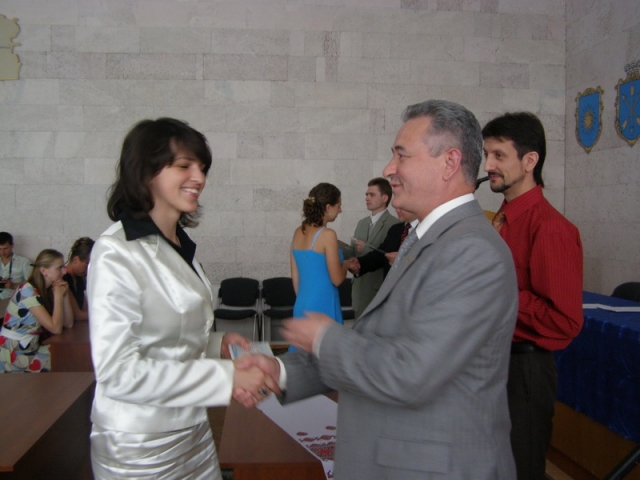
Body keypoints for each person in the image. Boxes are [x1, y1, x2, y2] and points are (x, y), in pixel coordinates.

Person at [236, 100, 519, 479]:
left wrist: (323, 338)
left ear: (449, 162)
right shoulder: (427, 238)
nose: (389, 169)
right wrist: (280, 370)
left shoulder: (472, 250)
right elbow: (378, 345)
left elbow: (410, 372)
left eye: (402, 155)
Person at [87, 117, 278, 479]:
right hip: (139, 443)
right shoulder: (117, 251)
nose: (199, 177)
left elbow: (169, 335)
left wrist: (218, 344)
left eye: (202, 167)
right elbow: (118, 373)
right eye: (184, 166)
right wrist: (227, 378)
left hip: (191, 429)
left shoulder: (177, 244)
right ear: (146, 171)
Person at [482, 111, 584, 480]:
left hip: (523, 371)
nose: (488, 165)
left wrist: (491, 292)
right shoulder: (499, 218)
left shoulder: (551, 229)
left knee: (520, 470)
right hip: (490, 363)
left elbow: (564, 321)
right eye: (486, 154)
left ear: (529, 161)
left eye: (499, 155)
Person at [290, 183, 351, 351]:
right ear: (328, 207)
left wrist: (304, 299)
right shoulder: (327, 235)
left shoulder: (298, 231)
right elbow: (337, 280)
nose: (340, 210)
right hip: (323, 302)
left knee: (302, 356)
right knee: (326, 354)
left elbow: (295, 276)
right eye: (339, 206)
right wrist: (346, 264)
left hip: (302, 302)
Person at [0, 249, 74, 373]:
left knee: (66, 354)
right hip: (14, 352)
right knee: (62, 360)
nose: (64, 271)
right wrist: (58, 296)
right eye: (59, 268)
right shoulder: (27, 290)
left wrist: (64, 295)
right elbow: (56, 328)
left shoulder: (49, 288)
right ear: (43, 271)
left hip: (30, 346)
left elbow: (68, 323)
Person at [340, 177, 401, 318]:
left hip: (377, 288)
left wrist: (366, 247)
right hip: (359, 286)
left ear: (385, 198)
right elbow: (354, 251)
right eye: (366, 194)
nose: (367, 198)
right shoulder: (362, 223)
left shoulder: (395, 224)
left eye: (371, 195)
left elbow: (388, 255)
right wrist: (336, 247)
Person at [348, 207, 418, 279]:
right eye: (396, 208)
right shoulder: (396, 229)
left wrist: (403, 259)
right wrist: (359, 263)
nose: (397, 210)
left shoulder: (425, 232)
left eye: (401, 207)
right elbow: (381, 255)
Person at [63, 237, 95, 321]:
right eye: (87, 264)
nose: (89, 269)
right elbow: (78, 315)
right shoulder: (63, 279)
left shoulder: (79, 278)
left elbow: (85, 309)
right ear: (76, 260)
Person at [0, 232, 33, 301]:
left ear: (12, 245)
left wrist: (13, 285)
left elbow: (32, 283)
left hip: (13, 300)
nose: (2, 252)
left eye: (5, 248)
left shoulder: (24, 262)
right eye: (0, 249)